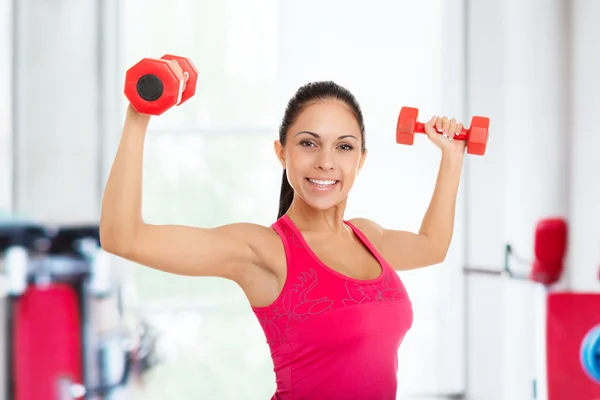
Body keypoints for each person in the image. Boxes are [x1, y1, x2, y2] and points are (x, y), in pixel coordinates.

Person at [100, 79, 466, 400]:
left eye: (344, 147)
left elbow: (432, 245)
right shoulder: (264, 251)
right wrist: (138, 116)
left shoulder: (367, 237)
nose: (325, 161)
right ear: (282, 152)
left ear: (361, 159)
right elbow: (124, 237)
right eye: (309, 143)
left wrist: (452, 155)